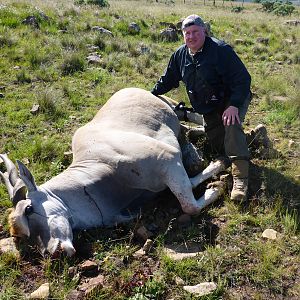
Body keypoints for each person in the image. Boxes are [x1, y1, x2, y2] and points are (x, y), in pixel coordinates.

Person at [151, 14, 252, 202]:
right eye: (187, 33)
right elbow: (168, 79)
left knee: (230, 124)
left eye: (195, 32)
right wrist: (150, 95)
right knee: (218, 145)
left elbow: (243, 80)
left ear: (204, 31)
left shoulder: (221, 51)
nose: (191, 37)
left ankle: (241, 179)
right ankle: (253, 136)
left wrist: (234, 105)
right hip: (209, 107)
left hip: (232, 99)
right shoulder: (180, 55)